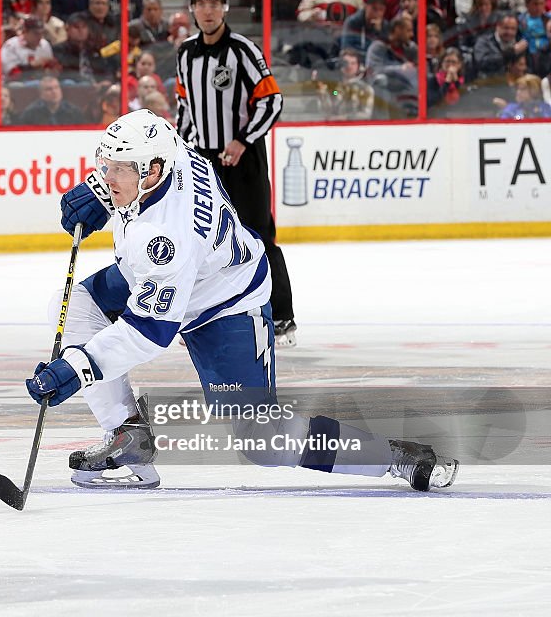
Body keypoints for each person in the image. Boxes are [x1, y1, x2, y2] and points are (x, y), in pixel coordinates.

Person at [32, 108, 460, 493]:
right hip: (187, 273)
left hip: (227, 302)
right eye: (105, 166)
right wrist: (102, 190)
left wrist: (78, 367)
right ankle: (128, 435)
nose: (108, 176)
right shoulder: (171, 150)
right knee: (74, 302)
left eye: (119, 170)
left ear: (152, 172)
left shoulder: (167, 236)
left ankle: (394, 457)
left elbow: (149, 332)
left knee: (264, 439)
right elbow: (152, 151)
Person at [175, 0, 297, 346]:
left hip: (243, 161)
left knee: (259, 237)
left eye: (215, 2)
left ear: (225, 7)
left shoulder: (243, 50)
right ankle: (200, 317)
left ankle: (281, 317)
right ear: (193, 8)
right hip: (204, 162)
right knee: (201, 241)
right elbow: (184, 106)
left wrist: (243, 141)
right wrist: (183, 150)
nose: (208, 9)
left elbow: (271, 100)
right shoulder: (185, 54)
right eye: (202, 2)